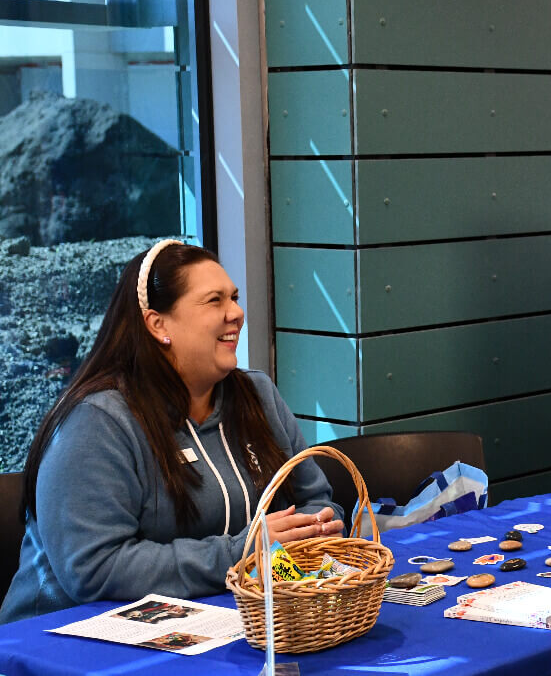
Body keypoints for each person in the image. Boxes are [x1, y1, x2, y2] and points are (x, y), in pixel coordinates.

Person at [0, 240, 344, 624]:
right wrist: (243, 554)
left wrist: (305, 541)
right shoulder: (97, 422)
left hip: (223, 623)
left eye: (234, 297)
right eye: (215, 301)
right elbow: (94, 569)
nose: (236, 313)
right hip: (65, 643)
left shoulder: (258, 395)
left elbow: (318, 503)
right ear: (158, 324)